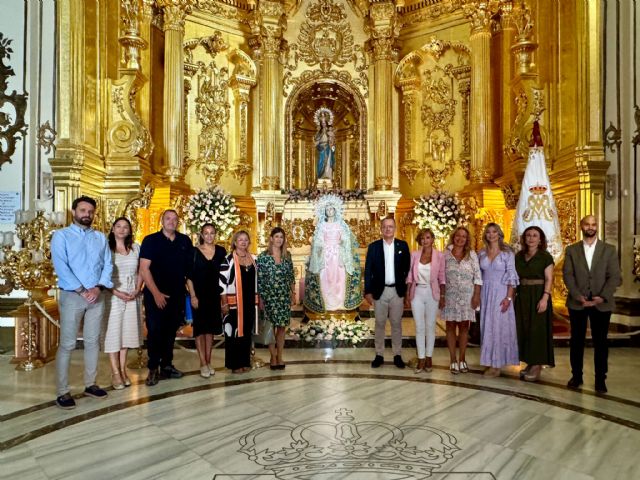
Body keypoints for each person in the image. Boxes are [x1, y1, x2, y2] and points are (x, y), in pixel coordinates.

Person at [50, 195, 113, 409]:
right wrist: (82, 290)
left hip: (96, 295)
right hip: (72, 296)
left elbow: (107, 265)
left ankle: (90, 384)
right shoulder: (62, 236)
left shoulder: (100, 237)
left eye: (90, 212)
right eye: (83, 210)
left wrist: (98, 288)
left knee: (93, 341)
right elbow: (62, 266)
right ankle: (63, 391)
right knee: (68, 344)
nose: (87, 214)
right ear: (74, 211)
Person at [563, 215, 621, 393]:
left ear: (597, 227)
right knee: (576, 341)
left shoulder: (609, 250)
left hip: (601, 303)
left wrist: (602, 296)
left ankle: (600, 380)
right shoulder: (572, 250)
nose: (590, 227)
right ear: (581, 226)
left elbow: (615, 277)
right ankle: (577, 376)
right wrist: (577, 295)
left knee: (601, 342)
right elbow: (568, 275)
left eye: (593, 224)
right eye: (587, 224)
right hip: (577, 302)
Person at [139, 209, 193, 386]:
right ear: (162, 221)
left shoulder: (184, 241)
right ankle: (153, 368)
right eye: (168, 218)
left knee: (170, 332)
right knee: (155, 331)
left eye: (175, 219)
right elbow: (144, 269)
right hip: (155, 294)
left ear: (178, 222)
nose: (171, 221)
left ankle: (167, 365)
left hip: (176, 295)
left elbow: (189, 270)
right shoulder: (150, 241)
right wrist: (156, 294)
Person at [364, 217, 411, 369]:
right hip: (380, 291)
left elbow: (407, 270)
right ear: (381, 229)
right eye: (385, 227)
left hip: (397, 291)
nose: (388, 229)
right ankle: (379, 354)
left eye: (390, 226)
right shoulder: (374, 247)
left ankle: (397, 354)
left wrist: (407, 292)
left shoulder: (402, 246)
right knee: (379, 323)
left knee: (396, 324)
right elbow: (368, 271)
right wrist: (368, 292)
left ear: (395, 228)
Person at [104, 217, 142, 390]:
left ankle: (123, 368)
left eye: (125, 227)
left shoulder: (135, 248)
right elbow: (101, 274)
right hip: (113, 294)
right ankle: (115, 372)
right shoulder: (106, 249)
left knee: (126, 334)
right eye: (118, 226)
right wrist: (116, 292)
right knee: (113, 334)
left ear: (129, 230)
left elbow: (142, 270)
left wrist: (138, 288)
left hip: (132, 294)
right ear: (112, 229)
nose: (121, 229)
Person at [306, 194, 361, 313]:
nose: (330, 211)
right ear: (324, 211)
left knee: (339, 277)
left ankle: (339, 302)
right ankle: (327, 303)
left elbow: (346, 238)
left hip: (338, 254)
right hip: (325, 255)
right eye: (327, 209)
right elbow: (319, 239)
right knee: (326, 277)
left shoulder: (340, 224)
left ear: (335, 210)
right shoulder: (322, 225)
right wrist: (320, 245)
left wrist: (343, 241)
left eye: (332, 209)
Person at [478, 223, 519, 377]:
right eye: (488, 232)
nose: (491, 234)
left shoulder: (507, 253)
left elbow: (512, 276)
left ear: (499, 234)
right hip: (485, 293)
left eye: (494, 231)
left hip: (502, 293)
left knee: (498, 327)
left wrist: (509, 297)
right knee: (487, 326)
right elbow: (478, 275)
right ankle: (490, 361)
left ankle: (497, 365)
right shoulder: (481, 253)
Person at [514, 226, 555, 382]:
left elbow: (549, 279)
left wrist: (545, 297)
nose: (531, 238)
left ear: (540, 239)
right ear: (524, 239)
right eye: (528, 235)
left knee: (537, 330)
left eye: (534, 235)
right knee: (524, 329)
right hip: (523, 295)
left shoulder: (545, 257)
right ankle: (530, 362)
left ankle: (537, 364)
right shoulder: (518, 256)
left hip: (539, 295)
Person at [186, 223, 227, 378]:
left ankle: (209, 361)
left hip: (214, 295)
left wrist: (223, 299)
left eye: (212, 233)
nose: (209, 236)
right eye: (206, 233)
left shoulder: (221, 251)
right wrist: (193, 296)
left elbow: (225, 276)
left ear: (215, 234)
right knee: (200, 330)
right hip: (199, 296)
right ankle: (202, 362)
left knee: (210, 330)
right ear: (201, 235)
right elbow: (189, 276)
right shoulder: (194, 252)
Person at [442, 226, 481, 374]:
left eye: (463, 236)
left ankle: (462, 359)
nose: (460, 238)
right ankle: (453, 360)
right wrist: (441, 296)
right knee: (450, 327)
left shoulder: (472, 254)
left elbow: (477, 276)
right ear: (453, 237)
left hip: (467, 296)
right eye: (458, 236)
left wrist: (476, 295)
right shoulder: (445, 254)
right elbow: (441, 277)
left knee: (465, 328)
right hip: (450, 296)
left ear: (467, 239)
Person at [406, 228, 445, 374]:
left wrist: (442, 296)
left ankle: (429, 357)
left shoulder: (439, 256)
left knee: (430, 327)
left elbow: (442, 277)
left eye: (427, 237)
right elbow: (410, 275)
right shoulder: (414, 255)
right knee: (419, 327)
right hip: (417, 292)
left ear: (432, 239)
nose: (425, 240)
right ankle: (421, 359)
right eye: (422, 238)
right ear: (419, 240)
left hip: (432, 292)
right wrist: (407, 294)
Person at [219, 230, 258, 373]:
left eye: (246, 240)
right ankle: (234, 364)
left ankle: (244, 361)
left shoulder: (254, 259)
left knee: (246, 332)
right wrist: (224, 304)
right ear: (235, 242)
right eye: (240, 239)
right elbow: (221, 284)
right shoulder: (228, 259)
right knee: (233, 333)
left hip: (249, 302)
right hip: (233, 302)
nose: (243, 242)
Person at [257, 227, 295, 370]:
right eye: (276, 236)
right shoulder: (263, 257)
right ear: (271, 238)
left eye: (281, 237)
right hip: (269, 297)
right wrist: (260, 298)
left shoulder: (287, 256)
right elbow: (259, 280)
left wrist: (293, 293)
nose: (279, 239)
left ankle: (280, 355)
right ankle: (272, 356)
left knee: (281, 328)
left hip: (283, 296)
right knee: (270, 327)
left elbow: (291, 276)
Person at [314, 108, 336, 180]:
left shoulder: (330, 132)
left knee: (328, 163)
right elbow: (316, 141)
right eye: (322, 123)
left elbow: (333, 143)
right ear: (320, 123)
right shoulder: (319, 132)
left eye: (324, 123)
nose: (323, 124)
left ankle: (328, 176)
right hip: (321, 149)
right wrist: (318, 145)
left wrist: (332, 148)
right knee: (321, 162)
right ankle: (321, 176)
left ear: (326, 123)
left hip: (328, 148)